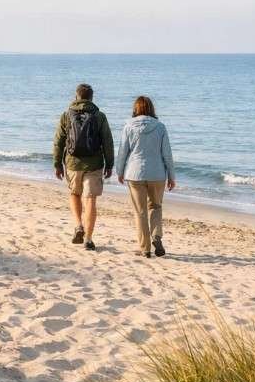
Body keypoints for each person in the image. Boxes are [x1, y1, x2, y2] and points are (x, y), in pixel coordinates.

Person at [52, 83, 115, 251]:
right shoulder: (99, 116)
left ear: (76, 96)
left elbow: (58, 141)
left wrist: (57, 164)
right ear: (91, 98)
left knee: (74, 193)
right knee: (91, 199)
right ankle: (88, 238)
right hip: (94, 163)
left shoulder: (66, 115)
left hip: (73, 163)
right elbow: (107, 142)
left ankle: (79, 225)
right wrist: (110, 164)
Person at [116, 96, 176, 258]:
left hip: (135, 173)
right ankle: (156, 237)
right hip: (157, 173)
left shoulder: (128, 126)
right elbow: (167, 154)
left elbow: (123, 152)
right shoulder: (160, 127)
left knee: (140, 211)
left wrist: (119, 171)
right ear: (151, 109)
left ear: (136, 109)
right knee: (156, 206)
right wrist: (171, 175)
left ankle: (145, 248)